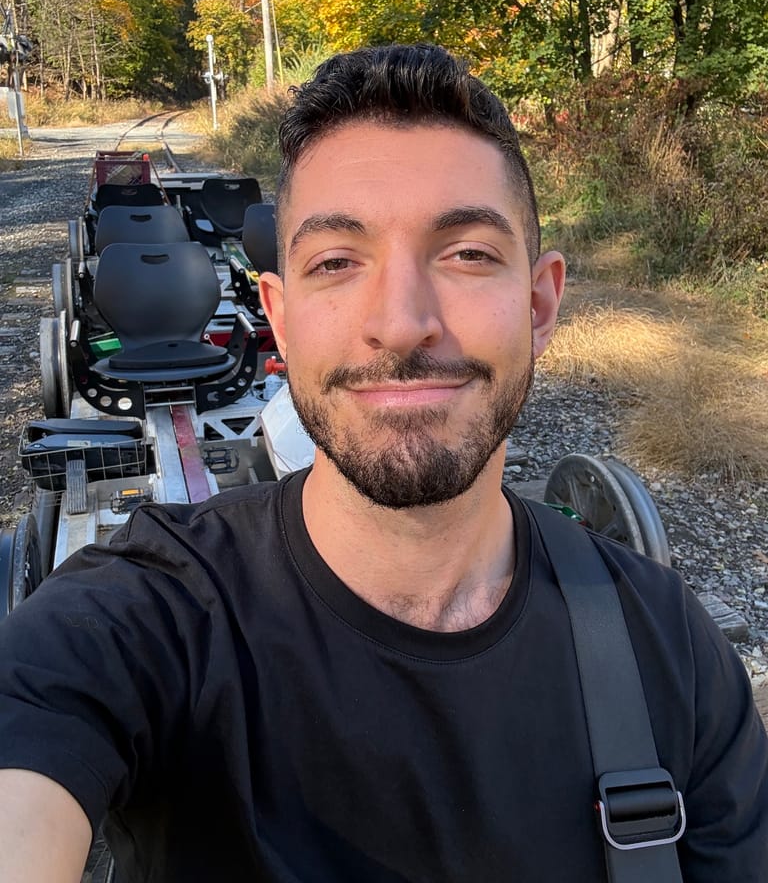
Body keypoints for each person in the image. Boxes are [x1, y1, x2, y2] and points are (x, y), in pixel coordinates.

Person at [0, 43, 766, 882]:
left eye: (467, 253)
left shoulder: (675, 652)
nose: (401, 324)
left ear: (541, 303)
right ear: (280, 322)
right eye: (337, 262)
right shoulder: (140, 618)